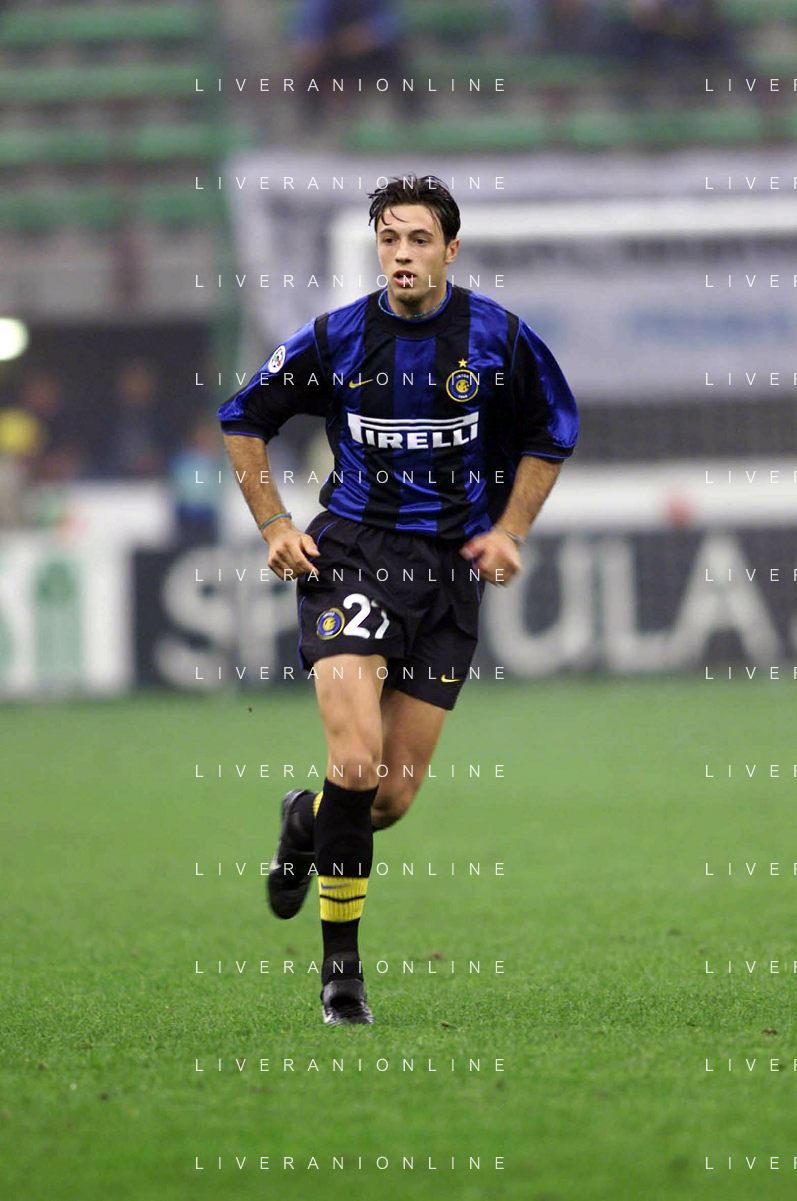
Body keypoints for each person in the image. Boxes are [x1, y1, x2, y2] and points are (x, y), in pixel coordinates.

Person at [218, 174, 579, 1026]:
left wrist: (510, 530)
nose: (402, 254)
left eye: (418, 239)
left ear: (450, 249)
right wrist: (273, 522)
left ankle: (303, 822)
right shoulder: (337, 337)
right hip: (350, 557)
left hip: (448, 575)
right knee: (354, 761)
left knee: (384, 800)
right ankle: (340, 975)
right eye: (389, 239)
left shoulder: (497, 337)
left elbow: (550, 431)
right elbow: (243, 418)